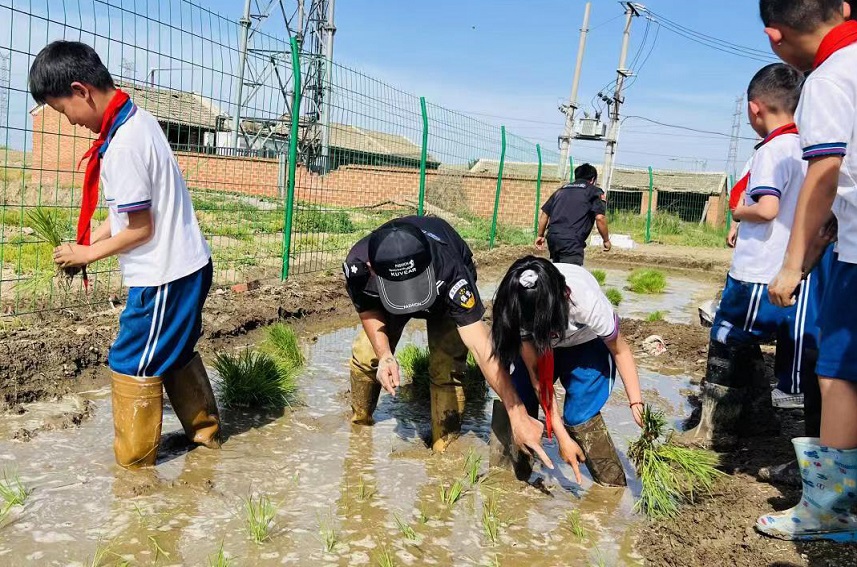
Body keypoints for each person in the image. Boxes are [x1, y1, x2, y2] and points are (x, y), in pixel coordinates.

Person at [30, 41, 220, 468]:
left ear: (81, 91)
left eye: (62, 111)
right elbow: (124, 214)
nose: (69, 122)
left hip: (165, 276)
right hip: (184, 266)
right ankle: (206, 441)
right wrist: (86, 244)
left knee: (131, 360)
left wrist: (88, 255)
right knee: (171, 352)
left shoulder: (123, 145)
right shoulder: (136, 121)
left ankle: (134, 472)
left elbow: (140, 228)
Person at [675, 64, 828, 454]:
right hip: (800, 271)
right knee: (789, 357)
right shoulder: (810, 147)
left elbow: (768, 207)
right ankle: (760, 420)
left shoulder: (772, 150)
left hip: (760, 271)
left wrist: (741, 212)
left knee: (726, 338)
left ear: (754, 108)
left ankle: (715, 432)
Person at [756, 0, 857, 542]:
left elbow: (826, 171)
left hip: (856, 256)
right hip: (843, 239)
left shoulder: (830, 76)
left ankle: (830, 511)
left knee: (838, 374)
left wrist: (792, 265)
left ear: (776, 35)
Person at [343, 216, 551, 465]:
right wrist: (386, 354)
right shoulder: (358, 266)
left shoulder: (451, 269)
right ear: (373, 268)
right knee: (368, 356)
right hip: (389, 297)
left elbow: (480, 345)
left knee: (446, 369)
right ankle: (360, 426)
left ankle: (444, 453)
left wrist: (516, 412)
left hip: (442, 297)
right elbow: (367, 309)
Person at [489, 256, 644, 487]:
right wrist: (561, 437)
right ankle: (504, 480)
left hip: (585, 344)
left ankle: (611, 487)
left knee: (581, 413)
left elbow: (620, 351)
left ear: (564, 298)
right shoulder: (518, 305)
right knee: (518, 398)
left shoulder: (586, 303)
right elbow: (538, 379)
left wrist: (636, 402)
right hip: (538, 346)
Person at [535, 163, 611, 265]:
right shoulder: (594, 191)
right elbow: (600, 218)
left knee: (559, 271)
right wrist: (606, 240)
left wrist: (540, 235)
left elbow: (544, 214)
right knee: (571, 273)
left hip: (553, 238)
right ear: (593, 179)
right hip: (572, 241)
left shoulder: (561, 190)